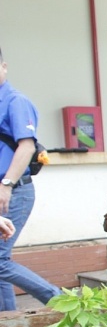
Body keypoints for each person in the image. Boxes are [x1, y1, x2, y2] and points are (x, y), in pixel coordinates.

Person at [0, 47, 61, 311]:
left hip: (14, 191)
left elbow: (26, 146)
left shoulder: (15, 101)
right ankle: (8, 324)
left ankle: (57, 299)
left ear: (3, 66)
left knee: (0, 261)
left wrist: (6, 186)